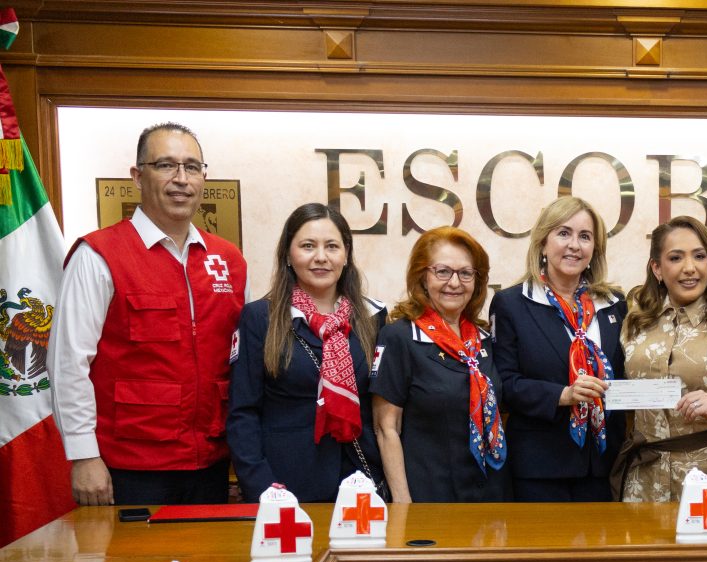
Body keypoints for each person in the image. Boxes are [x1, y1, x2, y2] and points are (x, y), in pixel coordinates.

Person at [51, 122, 247, 506]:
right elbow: (68, 364)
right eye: (165, 165)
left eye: (192, 167)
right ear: (138, 176)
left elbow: (244, 360)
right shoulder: (99, 255)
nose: (181, 179)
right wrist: (83, 454)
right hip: (128, 466)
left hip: (211, 463)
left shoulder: (229, 260)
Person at [226, 203, 386, 503]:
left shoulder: (372, 317)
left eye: (332, 246)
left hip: (361, 483)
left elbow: (380, 409)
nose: (321, 257)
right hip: (285, 484)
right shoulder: (261, 318)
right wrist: (263, 487)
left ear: (346, 255)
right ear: (288, 254)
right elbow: (242, 414)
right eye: (308, 246)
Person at [490, 196, 626, 502]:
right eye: (563, 233)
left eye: (585, 236)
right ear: (543, 243)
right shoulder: (512, 304)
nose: (574, 245)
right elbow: (505, 384)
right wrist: (562, 395)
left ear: (594, 250)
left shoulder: (614, 304)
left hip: (604, 464)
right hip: (540, 467)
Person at [616, 216, 707, 502]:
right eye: (675, 258)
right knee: (643, 549)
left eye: (699, 256)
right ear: (657, 268)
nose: (690, 268)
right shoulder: (635, 323)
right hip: (643, 480)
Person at [370, 227, 510, 502]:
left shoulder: (483, 339)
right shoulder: (400, 336)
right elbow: (386, 429)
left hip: (492, 492)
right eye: (443, 271)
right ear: (423, 277)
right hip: (430, 496)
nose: (455, 283)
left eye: (465, 273)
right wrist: (402, 504)